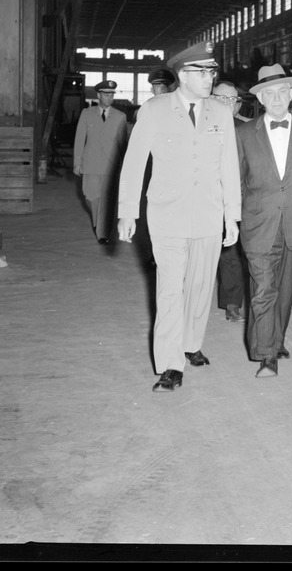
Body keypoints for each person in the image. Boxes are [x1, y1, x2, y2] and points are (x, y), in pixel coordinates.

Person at [117, 42, 241, 392]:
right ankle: (171, 364)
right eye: (201, 72)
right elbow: (133, 164)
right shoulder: (155, 110)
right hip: (167, 215)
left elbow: (228, 166)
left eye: (212, 72)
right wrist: (128, 212)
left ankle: (190, 343)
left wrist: (232, 214)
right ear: (182, 75)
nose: (209, 78)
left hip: (209, 213)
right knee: (170, 290)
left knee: (201, 288)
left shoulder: (220, 112)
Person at [236, 64, 292, 378]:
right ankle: (266, 354)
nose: (276, 99)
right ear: (260, 98)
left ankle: (277, 339)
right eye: (268, 94)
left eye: (281, 92)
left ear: (291, 94)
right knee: (263, 290)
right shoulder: (244, 134)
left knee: (286, 290)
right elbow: (238, 181)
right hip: (259, 225)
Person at [212, 80, 252, 325]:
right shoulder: (199, 125)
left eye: (231, 99)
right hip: (204, 199)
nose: (225, 103)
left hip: (235, 200)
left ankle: (232, 303)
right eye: (220, 98)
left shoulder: (246, 130)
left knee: (231, 253)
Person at [73, 80, 128, 244]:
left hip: (110, 166)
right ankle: (98, 222)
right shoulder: (87, 114)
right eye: (106, 94)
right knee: (90, 197)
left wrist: (124, 166)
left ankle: (102, 231)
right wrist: (77, 162)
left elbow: (122, 143)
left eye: (112, 94)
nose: (109, 97)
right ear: (98, 95)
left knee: (107, 199)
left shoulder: (120, 117)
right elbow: (79, 139)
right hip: (90, 164)